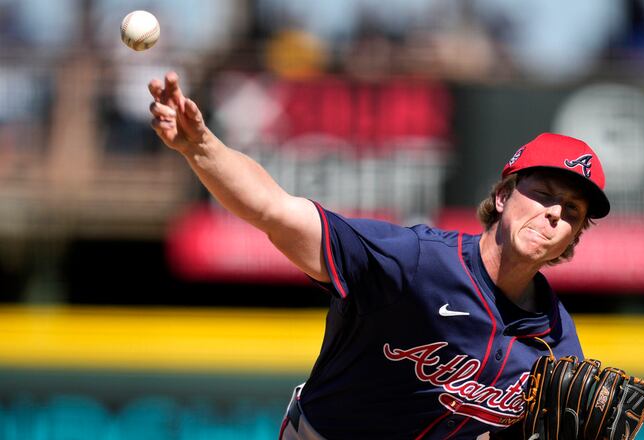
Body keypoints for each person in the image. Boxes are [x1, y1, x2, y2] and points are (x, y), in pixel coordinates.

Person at [147, 71, 610, 439]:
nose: (553, 214)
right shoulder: (417, 262)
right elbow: (276, 212)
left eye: (571, 211)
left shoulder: (555, 337)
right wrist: (201, 147)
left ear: (574, 237)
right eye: (543, 194)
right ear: (504, 196)